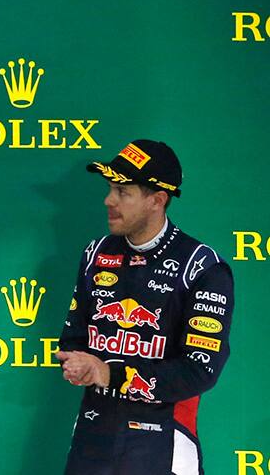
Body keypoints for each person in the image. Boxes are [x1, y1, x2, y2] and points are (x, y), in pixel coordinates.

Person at [57, 140, 233, 474]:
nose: (109, 201)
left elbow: (200, 369)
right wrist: (76, 361)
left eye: (123, 192)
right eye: (111, 189)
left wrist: (109, 373)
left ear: (157, 200)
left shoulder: (200, 267)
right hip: (93, 435)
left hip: (163, 438)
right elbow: (73, 339)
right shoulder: (95, 254)